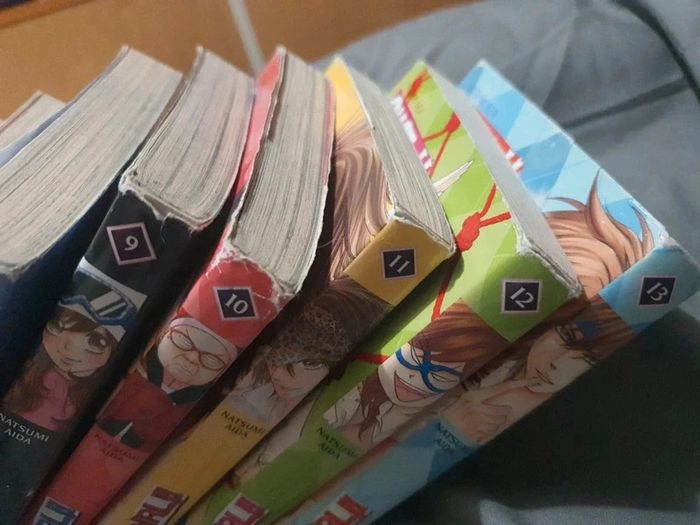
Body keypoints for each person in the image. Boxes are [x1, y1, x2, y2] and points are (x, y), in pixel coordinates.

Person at [325, 300, 508, 449]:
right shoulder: (352, 398)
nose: (415, 377)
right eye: (415, 358)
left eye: (438, 374)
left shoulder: (426, 418)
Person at [3, 261, 137, 432]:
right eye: (58, 326)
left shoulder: (85, 394)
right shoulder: (27, 372)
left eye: (97, 342)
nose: (68, 347)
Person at [96, 315, 236, 452]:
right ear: (163, 334)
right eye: (184, 341)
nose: (192, 358)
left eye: (211, 360)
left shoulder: (195, 403)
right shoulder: (137, 369)